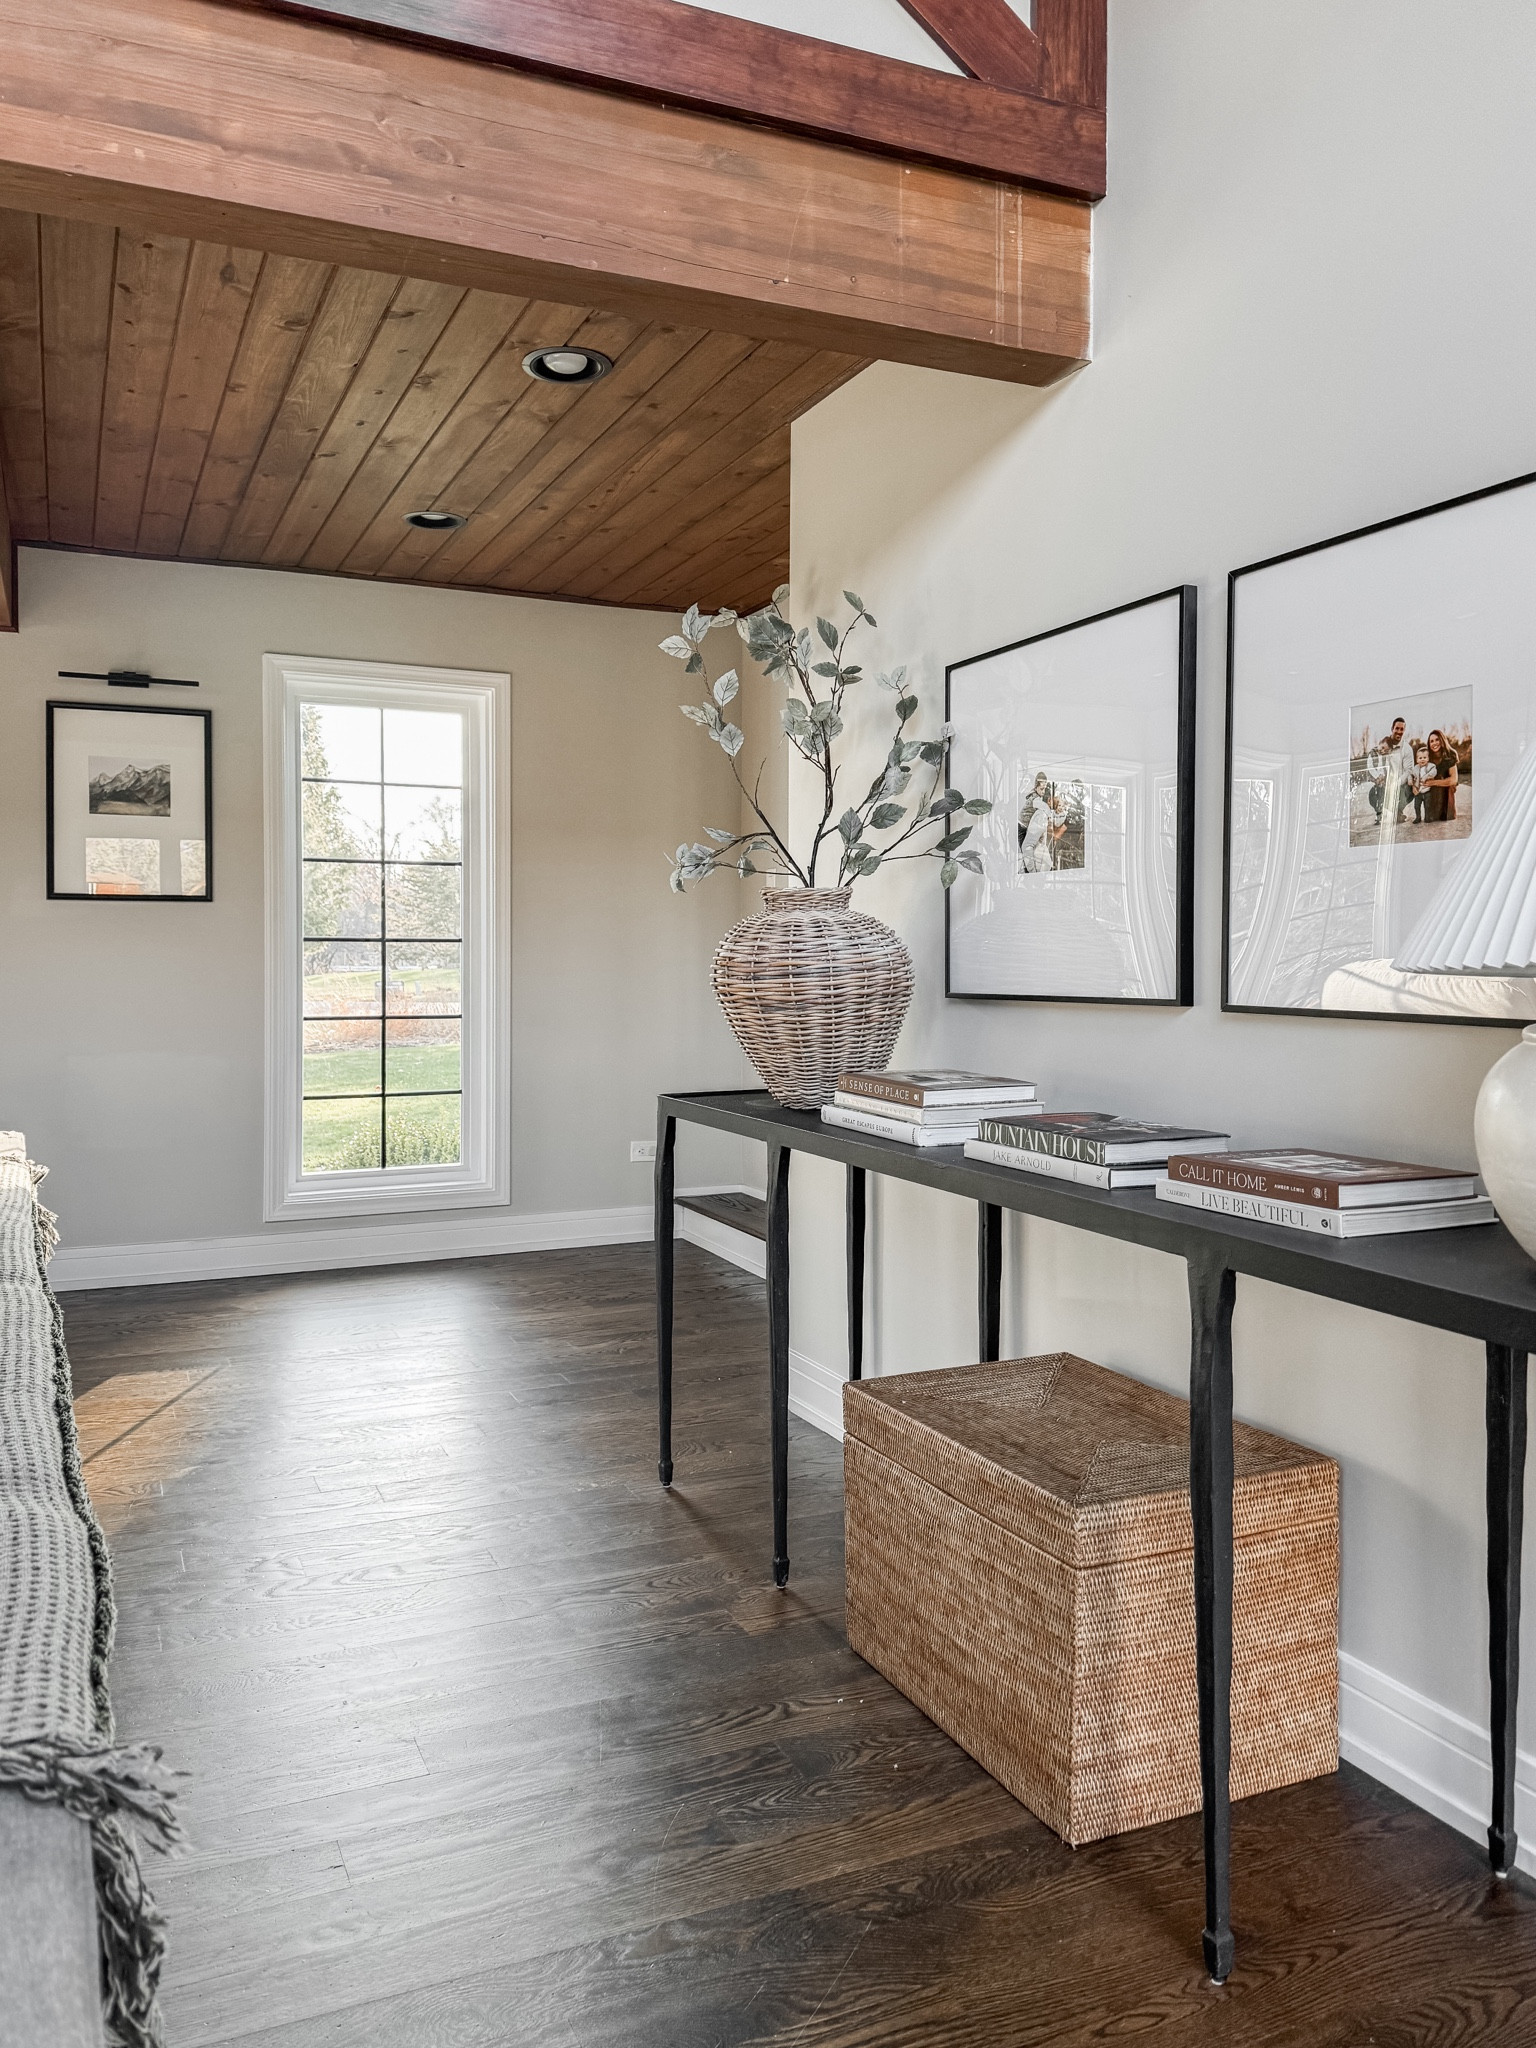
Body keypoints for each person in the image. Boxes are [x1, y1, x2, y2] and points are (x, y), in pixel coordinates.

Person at [1366, 715, 1415, 830]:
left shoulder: (1406, 749)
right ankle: (1381, 812)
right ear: (1392, 729)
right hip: (1385, 783)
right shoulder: (1384, 745)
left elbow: (1408, 771)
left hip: (1399, 785)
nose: (1399, 731)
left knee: (1411, 789)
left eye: (1402, 729)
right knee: (1373, 793)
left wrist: (1395, 784)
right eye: (1397, 728)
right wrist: (1380, 777)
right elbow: (1375, 759)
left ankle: (1398, 810)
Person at [1421, 728, 1460, 824]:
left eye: (1437, 740)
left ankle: (1448, 812)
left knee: (1446, 782)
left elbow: (1453, 780)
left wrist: (1434, 782)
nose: (1434, 743)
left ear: (1442, 740)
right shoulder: (1427, 757)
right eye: (1431, 741)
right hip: (1433, 791)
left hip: (1447, 789)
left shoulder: (1451, 754)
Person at [1410, 743, 1434, 823]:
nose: (1422, 759)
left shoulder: (1431, 766)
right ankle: (1418, 817)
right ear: (1417, 760)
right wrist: (1410, 781)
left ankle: (1427, 817)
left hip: (1427, 790)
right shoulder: (1415, 768)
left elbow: (1434, 772)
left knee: (1427, 806)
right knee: (1417, 806)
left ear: (1428, 758)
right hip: (1418, 791)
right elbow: (1411, 775)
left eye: (1424, 757)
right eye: (1420, 758)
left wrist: (1426, 776)